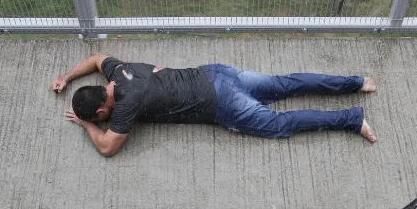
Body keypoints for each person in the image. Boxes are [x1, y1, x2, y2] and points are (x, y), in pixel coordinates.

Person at [52, 53, 377, 157]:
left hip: (222, 103)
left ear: (102, 110)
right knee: (285, 84)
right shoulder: (118, 73)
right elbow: (96, 58)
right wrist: (67, 77)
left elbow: (108, 148)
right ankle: (358, 83)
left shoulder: (126, 105)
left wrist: (87, 126)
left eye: (101, 118)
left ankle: (351, 119)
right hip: (217, 74)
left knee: (280, 125)